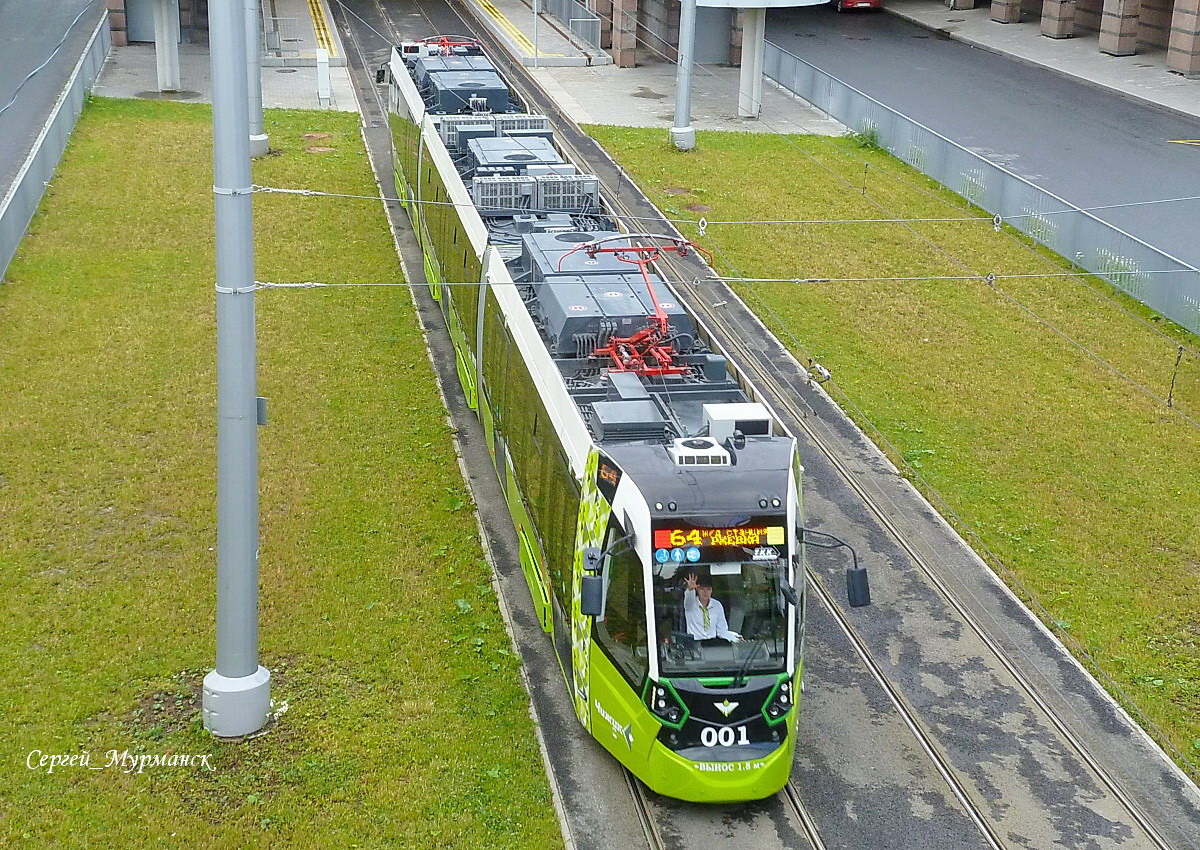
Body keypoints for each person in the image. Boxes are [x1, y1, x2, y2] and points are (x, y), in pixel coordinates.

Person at [683, 573, 742, 643]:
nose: (705, 592)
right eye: (701, 589)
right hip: (695, 644)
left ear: (712, 590)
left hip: (712, 645)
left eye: (708, 589)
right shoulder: (691, 604)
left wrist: (736, 639)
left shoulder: (717, 605)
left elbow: (722, 631)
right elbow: (688, 598)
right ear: (697, 590)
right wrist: (690, 589)